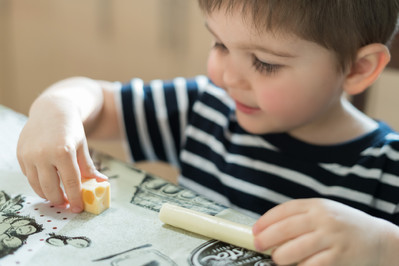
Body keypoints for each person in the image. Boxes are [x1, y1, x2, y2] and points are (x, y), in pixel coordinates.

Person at [16, 0, 399, 265]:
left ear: (357, 69)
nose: (226, 76)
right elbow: (97, 100)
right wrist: (55, 109)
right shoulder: (205, 107)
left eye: (265, 63)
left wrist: (384, 248)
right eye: (220, 43)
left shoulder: (387, 168)